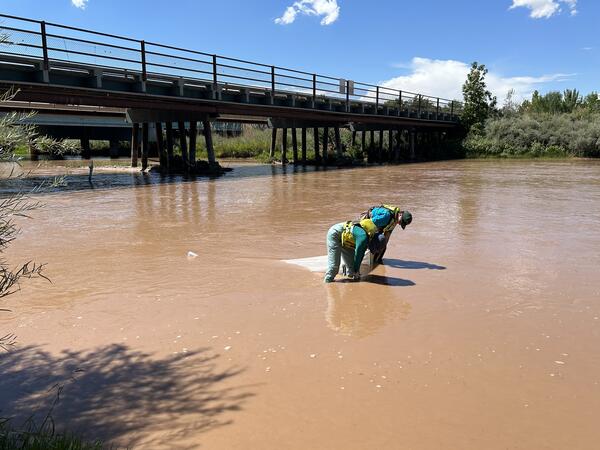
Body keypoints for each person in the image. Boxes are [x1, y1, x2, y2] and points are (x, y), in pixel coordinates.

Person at [324, 218, 383, 283]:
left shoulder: (372, 234)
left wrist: (355, 271)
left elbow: (359, 258)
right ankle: (328, 282)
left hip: (347, 239)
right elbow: (358, 256)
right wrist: (356, 269)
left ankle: (351, 283)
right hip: (335, 234)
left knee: (352, 270)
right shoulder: (363, 238)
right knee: (334, 267)